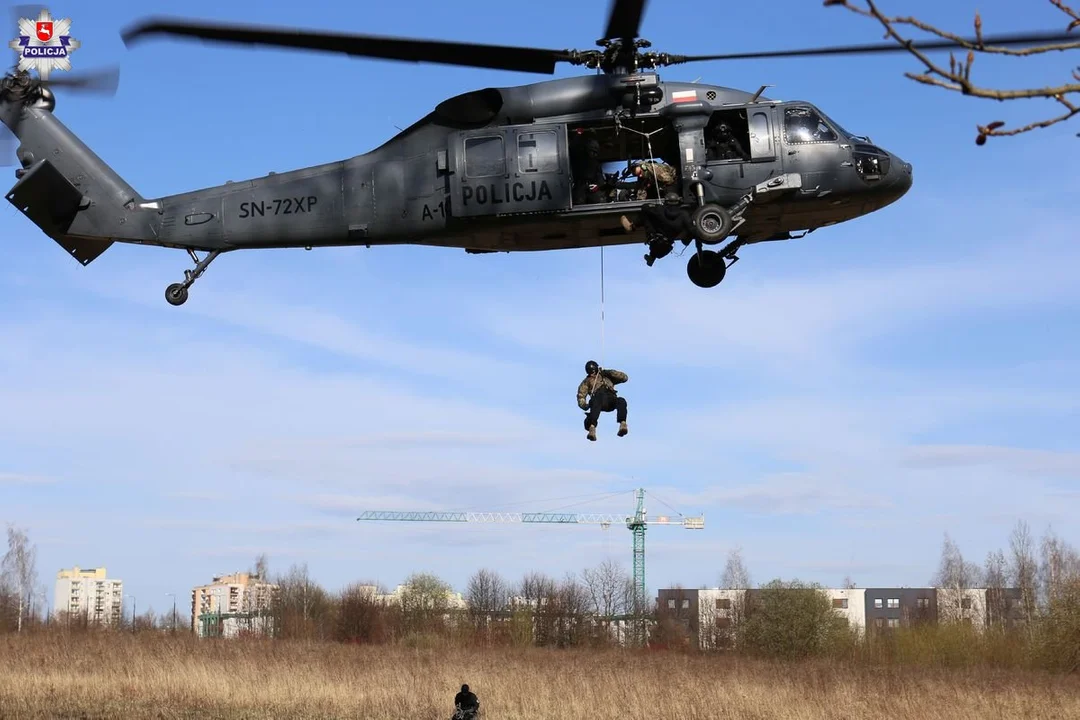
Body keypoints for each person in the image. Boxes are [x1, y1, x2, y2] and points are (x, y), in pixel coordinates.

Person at [621, 191, 696, 266]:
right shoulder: (684, 214)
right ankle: (651, 258)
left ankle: (632, 226)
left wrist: (655, 206)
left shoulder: (660, 209)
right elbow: (691, 229)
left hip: (655, 240)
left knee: (647, 215)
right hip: (665, 246)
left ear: (666, 201)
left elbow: (645, 207)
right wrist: (687, 239)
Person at [576, 360, 629, 441]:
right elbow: (581, 395)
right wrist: (585, 405)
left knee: (621, 400)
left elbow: (624, 377)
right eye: (590, 373)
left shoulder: (606, 375)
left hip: (611, 399)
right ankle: (592, 428)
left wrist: (609, 373)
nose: (592, 374)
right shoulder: (586, 381)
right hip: (599, 401)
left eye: (593, 372)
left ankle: (623, 424)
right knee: (597, 398)